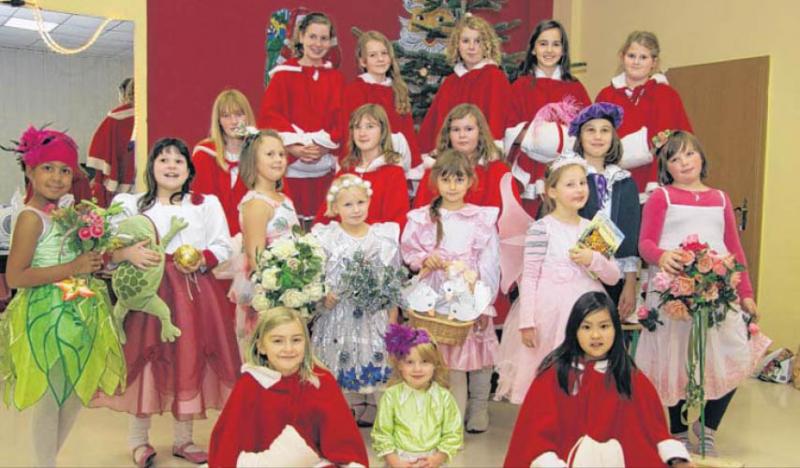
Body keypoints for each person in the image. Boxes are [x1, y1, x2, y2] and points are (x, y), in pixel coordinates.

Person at [93, 138, 240, 466]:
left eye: (178, 161)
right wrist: (126, 253)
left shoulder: (205, 204)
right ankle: (138, 440)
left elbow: (223, 245)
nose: (171, 166)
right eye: (163, 159)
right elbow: (109, 250)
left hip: (192, 295)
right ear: (152, 167)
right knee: (145, 359)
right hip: (147, 294)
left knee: (188, 358)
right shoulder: (131, 205)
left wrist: (201, 258)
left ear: (189, 169)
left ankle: (183, 439)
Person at [636, 131, 770, 456]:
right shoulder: (661, 197)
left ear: (702, 157)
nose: (684, 162)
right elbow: (645, 244)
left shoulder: (721, 198)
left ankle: (707, 427)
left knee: (735, 354)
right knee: (676, 360)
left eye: (689, 154)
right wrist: (662, 256)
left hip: (717, 293)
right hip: (673, 294)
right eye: (674, 158)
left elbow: (735, 250)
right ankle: (679, 431)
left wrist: (746, 292)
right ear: (666, 167)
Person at [0, 126, 125, 466]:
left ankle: (47, 461)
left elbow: (77, 259)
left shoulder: (66, 214)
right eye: (48, 168)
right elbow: (16, 276)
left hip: (77, 308)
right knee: (52, 396)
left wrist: (93, 257)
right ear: (30, 170)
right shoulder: (30, 218)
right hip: (46, 314)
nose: (56, 178)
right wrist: (73, 266)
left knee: (74, 394)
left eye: (65, 170)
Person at [504, 292, 694, 468]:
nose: (595, 335)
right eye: (586, 327)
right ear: (574, 331)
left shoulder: (629, 376)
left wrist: (677, 459)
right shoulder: (553, 376)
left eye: (604, 326)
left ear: (615, 329)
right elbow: (533, 439)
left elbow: (655, 432)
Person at [495, 156, 620, 405]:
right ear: (552, 191)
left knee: (584, 373)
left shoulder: (595, 228)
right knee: (549, 374)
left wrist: (593, 259)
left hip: (587, 311)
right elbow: (530, 276)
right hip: (549, 314)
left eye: (582, 183)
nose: (579, 189)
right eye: (570, 184)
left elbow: (614, 276)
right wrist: (527, 321)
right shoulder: (542, 229)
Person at [401, 150, 500, 433]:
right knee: (441, 360)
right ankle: (440, 421)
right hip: (434, 298)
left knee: (472, 357)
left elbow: (490, 263)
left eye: (459, 179)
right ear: (435, 181)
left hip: (468, 293)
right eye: (446, 179)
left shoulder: (480, 219)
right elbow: (408, 251)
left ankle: (473, 410)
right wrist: (425, 259)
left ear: (470, 181)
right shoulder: (422, 218)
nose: (453, 186)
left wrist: (483, 302)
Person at [208, 306, 369, 468]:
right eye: (278, 341)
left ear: (306, 343)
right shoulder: (250, 384)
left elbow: (345, 444)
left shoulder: (321, 382)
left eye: (296, 340)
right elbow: (226, 445)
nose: (288, 349)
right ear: (261, 346)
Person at [312, 173, 401, 425]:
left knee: (379, 369)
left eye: (360, 202)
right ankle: (337, 424)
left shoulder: (382, 238)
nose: (355, 209)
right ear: (335, 207)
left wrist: (392, 316)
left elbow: (392, 281)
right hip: (337, 317)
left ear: (369, 202)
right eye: (348, 204)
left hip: (373, 319)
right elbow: (316, 277)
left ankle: (389, 425)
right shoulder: (326, 237)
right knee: (337, 370)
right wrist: (323, 297)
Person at [258, 11, 344, 224]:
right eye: (312, 36)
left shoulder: (335, 78)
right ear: (301, 37)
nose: (318, 44)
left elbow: (342, 117)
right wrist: (293, 146)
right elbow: (270, 115)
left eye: (323, 38)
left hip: (324, 167)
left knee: (323, 224)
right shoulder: (283, 75)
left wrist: (324, 145)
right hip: (290, 167)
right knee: (290, 227)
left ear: (330, 42)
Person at [504, 20, 591, 216]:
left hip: (567, 171)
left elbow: (587, 128)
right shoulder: (520, 86)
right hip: (529, 168)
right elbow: (509, 128)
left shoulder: (575, 88)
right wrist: (540, 141)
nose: (549, 50)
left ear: (563, 50)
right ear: (533, 49)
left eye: (556, 44)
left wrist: (564, 143)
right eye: (543, 44)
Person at [595, 31, 693, 196]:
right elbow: (594, 141)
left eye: (643, 57)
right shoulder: (606, 96)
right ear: (622, 57)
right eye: (631, 56)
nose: (636, 62)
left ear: (654, 62)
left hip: (657, 186)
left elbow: (681, 140)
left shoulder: (667, 95)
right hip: (614, 186)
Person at [229, 129, 299, 346]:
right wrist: (278, 287)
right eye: (270, 154)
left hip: (289, 284)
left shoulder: (283, 198)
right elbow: (256, 258)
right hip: (269, 292)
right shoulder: (257, 204)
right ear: (253, 161)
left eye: (281, 154)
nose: (278, 159)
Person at [570, 102, 641, 318]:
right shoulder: (568, 177)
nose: (598, 136)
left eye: (605, 130)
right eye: (590, 130)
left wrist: (630, 282)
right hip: (574, 271)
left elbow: (630, 236)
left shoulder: (624, 182)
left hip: (613, 275)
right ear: (580, 137)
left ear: (613, 137)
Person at [417, 14, 510, 160]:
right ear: (457, 45)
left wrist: (492, 150)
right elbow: (436, 120)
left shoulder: (495, 77)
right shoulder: (450, 82)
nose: (471, 47)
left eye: (478, 41)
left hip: (481, 157)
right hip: (451, 158)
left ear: (487, 45)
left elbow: (498, 117)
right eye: (466, 41)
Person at [372, 323, 463, 467]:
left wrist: (437, 458)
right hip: (399, 462)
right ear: (400, 365)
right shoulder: (391, 396)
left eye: (425, 362)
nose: (417, 369)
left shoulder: (444, 397)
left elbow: (453, 433)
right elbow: (382, 433)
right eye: (409, 362)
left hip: (433, 462)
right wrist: (394, 461)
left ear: (435, 364)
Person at [316, 103, 409, 228]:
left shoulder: (393, 173)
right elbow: (326, 213)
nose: (362, 133)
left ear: (383, 131)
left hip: (376, 239)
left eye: (370, 126)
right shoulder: (346, 171)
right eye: (357, 127)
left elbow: (396, 223)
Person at [345, 30, 420, 177]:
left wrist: (414, 163)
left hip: (397, 161)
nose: (380, 59)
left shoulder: (398, 89)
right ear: (363, 61)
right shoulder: (355, 91)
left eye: (384, 53)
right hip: (367, 162)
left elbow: (408, 131)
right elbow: (352, 131)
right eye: (373, 55)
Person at [414, 104, 513, 210]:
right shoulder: (435, 171)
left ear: (480, 133)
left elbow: (512, 214)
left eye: (469, 129)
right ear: (448, 134)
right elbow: (420, 214)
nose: (462, 135)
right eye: (456, 130)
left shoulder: (498, 171)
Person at [191, 89, 256, 235]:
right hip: (211, 237)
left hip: (251, 237)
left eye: (239, 114)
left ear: (247, 117)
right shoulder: (204, 154)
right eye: (226, 116)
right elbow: (198, 204)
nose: (234, 122)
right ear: (218, 121)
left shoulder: (260, 154)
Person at [87, 77, 136, 207]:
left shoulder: (115, 118)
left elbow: (102, 153)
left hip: (121, 186)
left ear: (124, 94)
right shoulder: (160, 115)